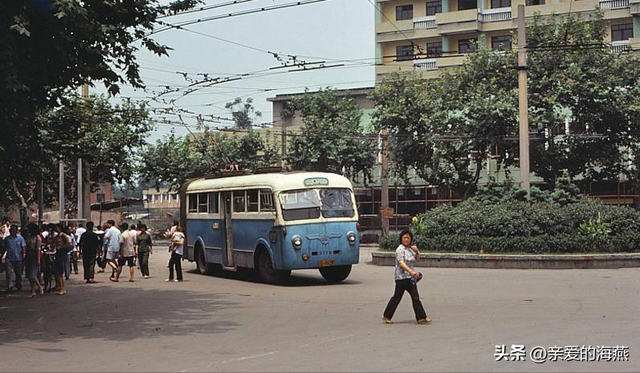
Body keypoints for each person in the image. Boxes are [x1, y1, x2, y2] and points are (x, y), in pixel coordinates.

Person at [382, 230, 431, 325]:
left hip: (410, 278)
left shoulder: (410, 249)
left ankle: (421, 317)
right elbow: (401, 263)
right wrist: (412, 272)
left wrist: (417, 252)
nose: (406, 239)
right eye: (404, 237)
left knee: (415, 297)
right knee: (397, 297)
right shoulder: (399, 249)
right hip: (401, 277)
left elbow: (417, 259)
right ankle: (386, 316)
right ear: (401, 239)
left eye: (408, 238)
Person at [3, 224, 26, 291]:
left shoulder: (20, 238)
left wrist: (24, 254)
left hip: (18, 257)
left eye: (13, 229)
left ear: (16, 230)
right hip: (9, 258)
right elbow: (4, 248)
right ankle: (10, 285)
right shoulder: (7, 239)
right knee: (9, 272)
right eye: (11, 229)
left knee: (18, 272)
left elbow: (23, 246)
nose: (12, 230)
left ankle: (18, 283)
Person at [52, 224, 72, 295]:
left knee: (59, 272)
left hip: (62, 254)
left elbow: (69, 245)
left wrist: (61, 247)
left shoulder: (63, 236)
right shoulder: (56, 236)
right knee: (58, 272)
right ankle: (61, 287)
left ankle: (62, 288)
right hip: (58, 254)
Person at [24, 223, 44, 297]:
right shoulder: (28, 237)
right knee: (29, 274)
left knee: (33, 274)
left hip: (34, 255)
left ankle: (39, 286)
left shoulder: (37, 237)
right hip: (29, 255)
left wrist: (38, 259)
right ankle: (32, 289)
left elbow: (38, 249)